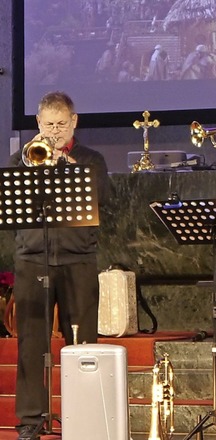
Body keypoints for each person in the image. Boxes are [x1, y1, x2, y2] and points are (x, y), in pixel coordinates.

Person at [7, 91, 111, 440]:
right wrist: (32, 161)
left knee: (82, 343)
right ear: (38, 124)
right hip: (32, 259)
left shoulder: (91, 159)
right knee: (31, 345)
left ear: (74, 122)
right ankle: (30, 421)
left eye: (61, 124)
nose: (54, 132)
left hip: (78, 260)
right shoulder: (20, 160)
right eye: (48, 125)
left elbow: (103, 197)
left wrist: (64, 165)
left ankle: (85, 417)